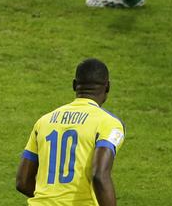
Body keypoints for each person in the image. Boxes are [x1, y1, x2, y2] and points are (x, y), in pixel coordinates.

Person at [16, 58, 124, 205]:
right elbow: (99, 175)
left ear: (74, 85)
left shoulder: (44, 121)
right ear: (108, 87)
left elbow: (22, 181)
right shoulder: (108, 123)